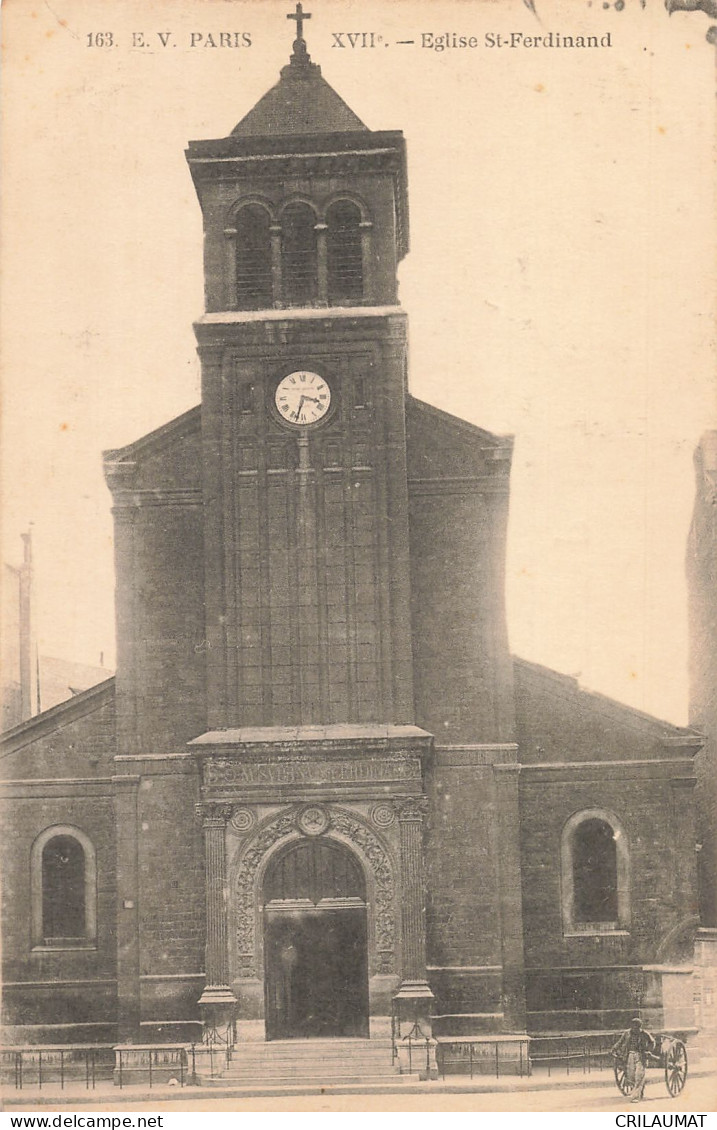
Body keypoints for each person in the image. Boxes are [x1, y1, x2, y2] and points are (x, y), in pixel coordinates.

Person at [612, 1017, 657, 1102]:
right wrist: (613, 1049)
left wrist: (648, 1050)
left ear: (640, 1027)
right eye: (633, 1026)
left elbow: (652, 1042)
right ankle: (639, 1089)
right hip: (629, 1055)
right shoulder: (627, 1033)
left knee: (638, 1075)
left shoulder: (644, 1034)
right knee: (630, 1075)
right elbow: (620, 1042)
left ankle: (636, 1096)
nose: (635, 1028)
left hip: (641, 1056)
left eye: (637, 1027)